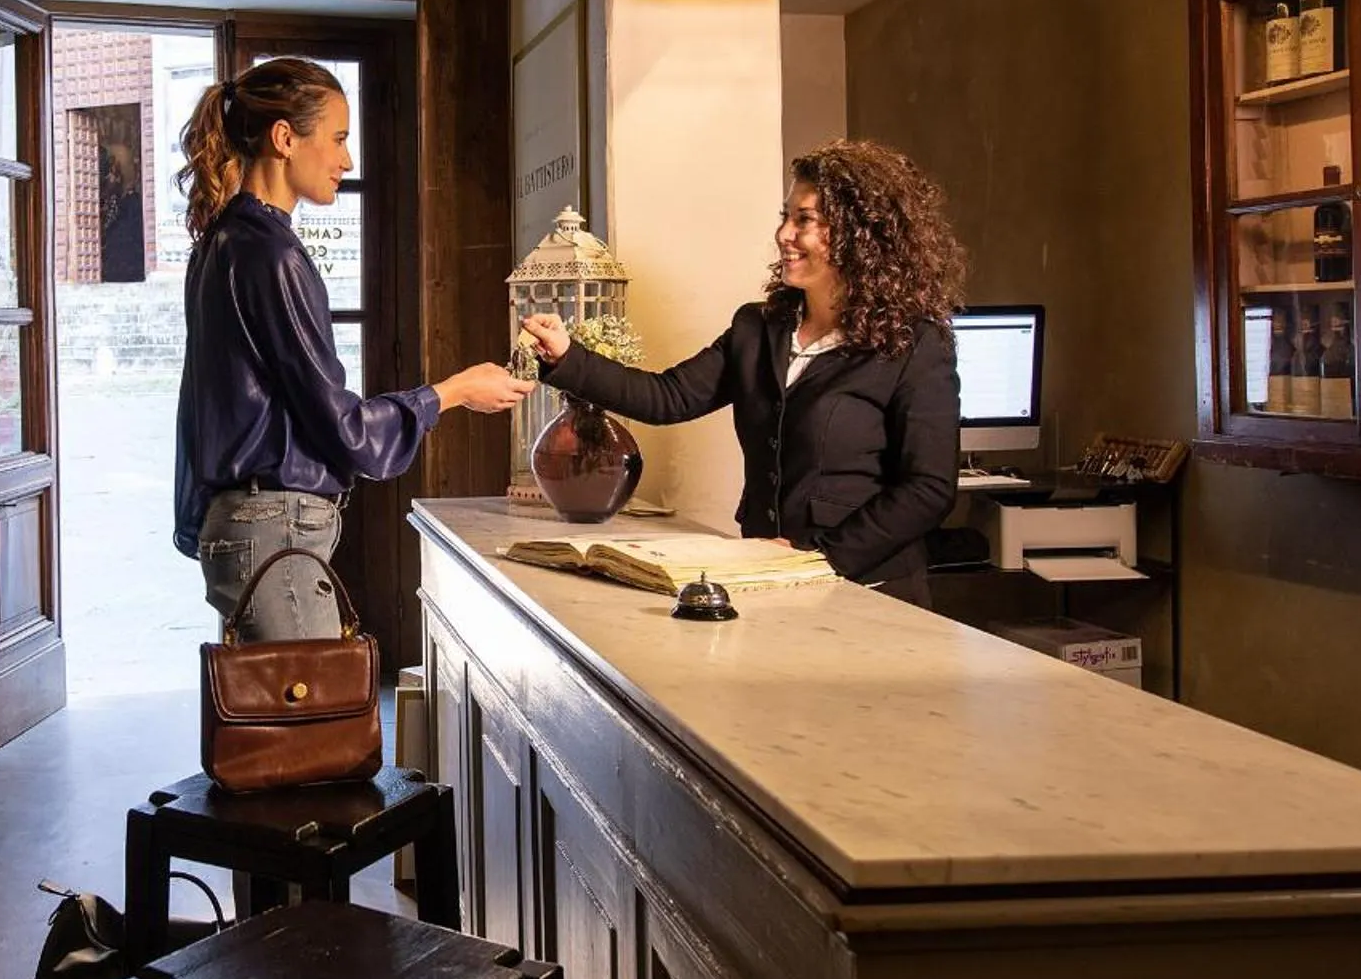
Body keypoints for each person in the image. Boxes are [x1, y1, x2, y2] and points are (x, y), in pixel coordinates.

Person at [176, 57, 531, 639]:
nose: (347, 160)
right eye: (338, 139)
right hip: (274, 534)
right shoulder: (270, 253)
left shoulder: (224, 242)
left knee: (277, 722)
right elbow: (341, 426)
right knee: (310, 725)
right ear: (285, 138)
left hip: (248, 528)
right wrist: (455, 391)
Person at [521, 140, 964, 604]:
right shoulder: (758, 327)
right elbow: (666, 396)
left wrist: (817, 556)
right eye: (784, 216)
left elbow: (928, 489)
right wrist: (566, 356)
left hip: (873, 592)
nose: (784, 234)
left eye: (804, 220)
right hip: (771, 585)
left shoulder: (914, 343)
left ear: (859, 234)